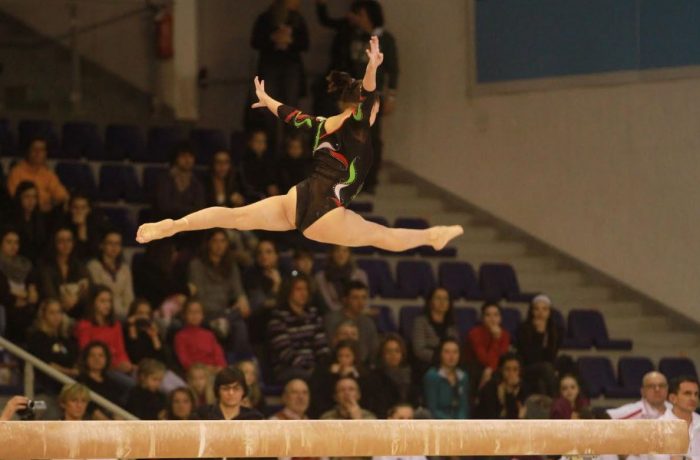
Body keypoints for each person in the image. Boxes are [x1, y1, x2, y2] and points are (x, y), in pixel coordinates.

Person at [136, 36, 462, 253]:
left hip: (298, 198)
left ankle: (175, 226)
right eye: (373, 108)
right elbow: (367, 93)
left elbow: (294, 116)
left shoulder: (323, 125)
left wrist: (268, 99)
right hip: (328, 212)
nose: (374, 112)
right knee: (383, 236)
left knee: (233, 217)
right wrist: (373, 67)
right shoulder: (358, 126)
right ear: (364, 109)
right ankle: (431, 237)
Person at [188, 229, 252, 359]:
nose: (219, 245)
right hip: (205, 313)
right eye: (215, 241)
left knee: (241, 323)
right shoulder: (196, 265)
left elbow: (238, 291)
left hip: (226, 313)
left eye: (223, 241)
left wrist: (242, 300)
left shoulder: (231, 266)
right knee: (232, 322)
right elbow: (198, 295)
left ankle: (239, 363)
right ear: (208, 243)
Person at [267, 274, 329, 381]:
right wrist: (310, 367)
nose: (303, 293)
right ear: (288, 291)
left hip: (314, 368)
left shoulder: (313, 314)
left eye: (305, 289)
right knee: (314, 378)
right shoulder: (278, 318)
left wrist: (325, 365)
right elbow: (285, 353)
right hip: (288, 368)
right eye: (298, 289)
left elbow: (322, 346)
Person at [74, 285, 134, 377]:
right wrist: (115, 367)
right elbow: (87, 355)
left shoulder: (115, 325)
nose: (107, 305)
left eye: (109, 301)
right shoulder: (84, 326)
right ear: (93, 302)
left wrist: (126, 364)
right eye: (102, 301)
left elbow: (120, 350)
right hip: (101, 370)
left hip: (120, 367)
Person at [27, 298, 79, 394]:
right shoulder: (37, 337)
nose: (56, 316)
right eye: (52, 313)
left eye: (59, 312)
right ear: (43, 315)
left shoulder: (64, 338)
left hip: (67, 387)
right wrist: (70, 372)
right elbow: (46, 364)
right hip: (47, 386)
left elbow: (74, 360)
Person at [38, 227, 90, 319]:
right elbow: (49, 292)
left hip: (77, 308)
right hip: (54, 311)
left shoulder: (78, 265)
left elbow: (88, 287)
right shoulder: (46, 266)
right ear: (54, 243)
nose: (66, 244)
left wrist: (76, 298)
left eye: (69, 240)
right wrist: (63, 303)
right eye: (61, 241)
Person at [7, 136, 68, 212]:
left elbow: (63, 196)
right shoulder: (16, 172)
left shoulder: (48, 173)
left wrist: (52, 204)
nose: (38, 153)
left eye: (41, 150)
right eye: (34, 149)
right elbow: (15, 199)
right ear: (28, 151)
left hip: (46, 214)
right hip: (24, 214)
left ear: (45, 153)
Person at [363, 333, 418, 419]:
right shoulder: (374, 377)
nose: (393, 355)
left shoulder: (411, 374)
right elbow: (375, 405)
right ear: (382, 354)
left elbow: (415, 401)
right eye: (389, 351)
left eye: (397, 351)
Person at [515, 294, 561, 396]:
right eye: (537, 309)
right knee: (546, 369)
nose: (540, 313)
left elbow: (551, 356)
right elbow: (529, 357)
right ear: (532, 311)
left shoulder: (554, 331)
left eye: (544, 309)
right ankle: (558, 403)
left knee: (543, 380)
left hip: (545, 369)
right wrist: (538, 335)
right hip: (526, 368)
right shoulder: (523, 329)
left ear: (549, 312)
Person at [324, 280, 378, 365]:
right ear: (345, 299)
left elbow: (374, 352)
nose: (360, 302)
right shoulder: (331, 320)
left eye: (363, 298)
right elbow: (330, 348)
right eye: (355, 298)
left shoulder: (368, 323)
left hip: (362, 367)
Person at [309, 339, 366, 418]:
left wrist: (354, 374)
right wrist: (332, 375)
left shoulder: (362, 373)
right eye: (340, 356)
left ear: (354, 357)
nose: (343, 360)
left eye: (347, 356)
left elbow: (364, 393)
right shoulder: (326, 372)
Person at [0, 227, 38, 344]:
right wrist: (16, 297)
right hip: (6, 309)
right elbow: (4, 295)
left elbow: (33, 295)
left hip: (24, 310)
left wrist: (27, 295)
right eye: (9, 242)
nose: (13, 246)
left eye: (16, 242)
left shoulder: (25, 265)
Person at [86, 230, 134, 320]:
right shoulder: (94, 267)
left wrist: (129, 313)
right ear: (102, 245)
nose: (114, 247)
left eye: (117, 243)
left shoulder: (125, 268)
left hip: (123, 313)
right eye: (110, 243)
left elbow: (129, 296)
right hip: (102, 312)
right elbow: (99, 294)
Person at [154, 142, 205, 221]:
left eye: (190, 156)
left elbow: (199, 208)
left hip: (189, 225)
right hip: (165, 223)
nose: (187, 160)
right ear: (176, 158)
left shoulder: (196, 183)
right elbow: (164, 207)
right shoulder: (165, 179)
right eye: (183, 156)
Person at [411, 287, 458, 373]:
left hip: (449, 362)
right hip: (428, 363)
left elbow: (456, 346)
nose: (442, 302)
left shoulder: (452, 324)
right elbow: (419, 350)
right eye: (438, 298)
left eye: (445, 299)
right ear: (430, 301)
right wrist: (442, 358)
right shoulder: (420, 321)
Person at [174, 298, 227, 373]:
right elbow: (185, 361)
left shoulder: (209, 335)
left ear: (202, 315)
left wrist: (220, 367)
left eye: (198, 312)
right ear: (184, 315)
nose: (195, 315)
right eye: (191, 312)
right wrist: (205, 369)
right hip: (196, 373)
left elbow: (219, 355)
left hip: (215, 371)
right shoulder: (180, 336)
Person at [653, 376, 700, 459]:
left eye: (696, 394)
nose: (693, 398)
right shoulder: (658, 427)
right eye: (687, 393)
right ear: (672, 398)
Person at [466, 302, 511, 388]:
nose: (492, 319)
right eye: (488, 315)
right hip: (474, 366)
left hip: (494, 367)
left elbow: (502, 357)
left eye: (496, 315)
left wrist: (490, 369)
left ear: (500, 318)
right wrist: (496, 339)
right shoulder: (474, 333)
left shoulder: (505, 335)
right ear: (482, 318)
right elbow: (483, 359)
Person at [423, 338, 470, 419]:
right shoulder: (432, 376)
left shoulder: (463, 376)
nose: (452, 356)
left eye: (455, 352)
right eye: (447, 352)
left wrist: (460, 422)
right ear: (440, 354)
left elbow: (463, 406)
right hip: (438, 422)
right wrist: (450, 423)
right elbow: (432, 409)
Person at [77, 341, 127, 416]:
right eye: (92, 355)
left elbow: (117, 405)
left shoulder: (111, 382)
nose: (96, 359)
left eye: (101, 355)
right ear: (86, 359)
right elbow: (90, 408)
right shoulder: (80, 381)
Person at [196, 366, 264, 420]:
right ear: (218, 391)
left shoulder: (254, 418)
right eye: (225, 389)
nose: (231, 393)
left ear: (243, 391)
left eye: (236, 388)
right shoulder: (202, 416)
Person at [315, 245, 368, 313]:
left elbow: (364, 300)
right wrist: (347, 313)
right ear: (332, 253)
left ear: (349, 254)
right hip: (334, 315)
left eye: (345, 251)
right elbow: (328, 304)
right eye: (337, 250)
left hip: (357, 314)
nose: (341, 254)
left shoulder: (360, 274)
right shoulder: (321, 277)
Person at [475, 352, 529, 419]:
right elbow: (491, 416)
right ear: (501, 370)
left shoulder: (522, 388)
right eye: (507, 369)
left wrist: (510, 393)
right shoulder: (490, 388)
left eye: (515, 370)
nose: (511, 374)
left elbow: (517, 416)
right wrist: (509, 392)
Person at [7, 181, 48, 261]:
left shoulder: (40, 219)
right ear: (19, 198)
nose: (31, 200)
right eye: (27, 196)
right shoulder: (10, 219)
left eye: (34, 197)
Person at [607, 371, 672, 420]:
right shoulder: (633, 411)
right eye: (651, 386)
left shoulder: (674, 410)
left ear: (667, 389)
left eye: (661, 386)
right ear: (643, 391)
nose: (657, 389)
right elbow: (603, 418)